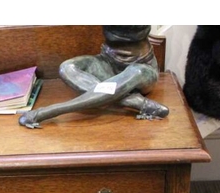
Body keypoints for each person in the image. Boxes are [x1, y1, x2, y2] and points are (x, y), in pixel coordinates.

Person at [19, 25, 169, 128]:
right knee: (67, 68)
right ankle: (137, 103)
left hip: (142, 70)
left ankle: (49, 111)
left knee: (136, 72)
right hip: (107, 63)